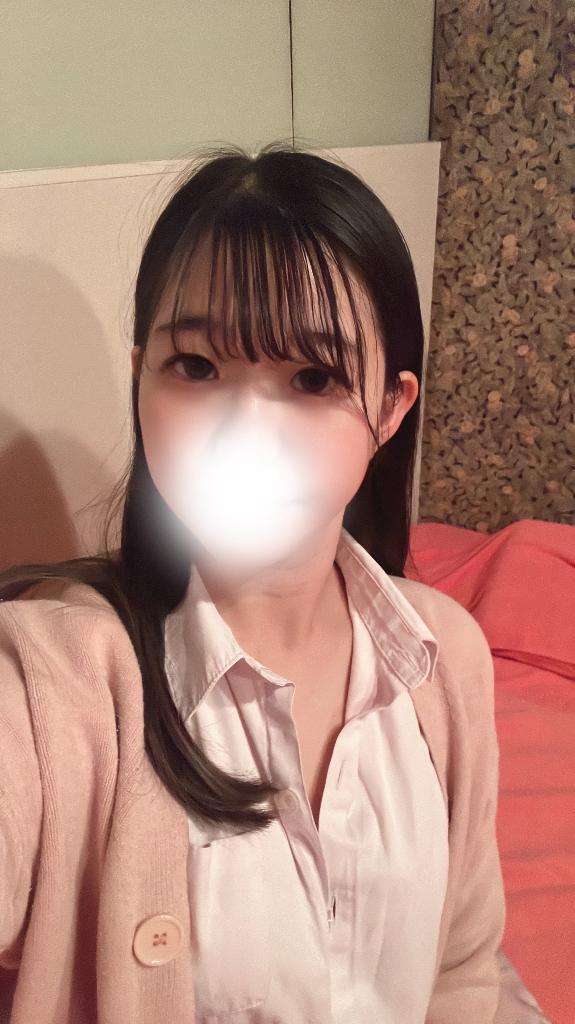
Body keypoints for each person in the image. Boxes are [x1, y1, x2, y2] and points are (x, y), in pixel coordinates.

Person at [0, 141, 505, 1023]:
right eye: (196, 367)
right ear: (141, 379)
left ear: (391, 408)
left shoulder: (443, 659)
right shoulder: (58, 681)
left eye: (313, 377)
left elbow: (463, 970)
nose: (245, 430)